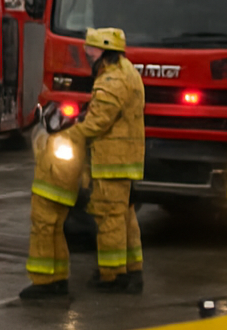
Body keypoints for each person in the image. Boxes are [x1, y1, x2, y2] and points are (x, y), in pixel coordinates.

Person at [68, 27, 146, 293]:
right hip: (126, 161)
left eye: (91, 50)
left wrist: (71, 133)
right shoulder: (129, 72)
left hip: (111, 163)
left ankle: (112, 276)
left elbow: (98, 123)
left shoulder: (111, 81)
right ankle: (133, 271)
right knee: (125, 217)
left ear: (103, 51)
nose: (88, 55)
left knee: (109, 218)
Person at [20, 101, 85, 299]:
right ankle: (59, 278)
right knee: (56, 233)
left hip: (48, 191)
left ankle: (43, 281)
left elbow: (41, 152)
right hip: (64, 193)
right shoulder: (75, 135)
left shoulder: (55, 138)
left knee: (43, 232)